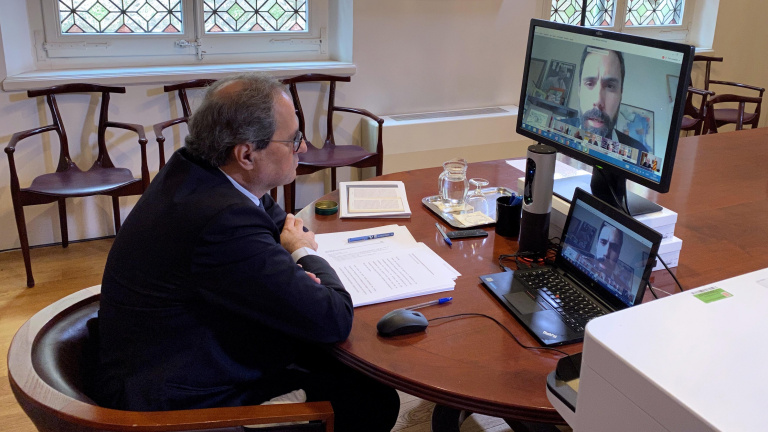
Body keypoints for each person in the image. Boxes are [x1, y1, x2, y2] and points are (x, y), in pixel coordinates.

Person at [90, 73, 400, 432]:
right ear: (247, 154)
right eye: (293, 139)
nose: (303, 148)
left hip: (172, 352)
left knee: (338, 361)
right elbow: (333, 318)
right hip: (176, 402)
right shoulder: (221, 219)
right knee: (372, 399)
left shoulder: (198, 168)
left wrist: (290, 265)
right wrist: (303, 254)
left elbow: (278, 224)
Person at [564, 47, 650, 153]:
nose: (598, 100)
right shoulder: (555, 130)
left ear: (621, 94)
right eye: (589, 83)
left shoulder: (639, 153)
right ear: (579, 89)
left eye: (610, 86)